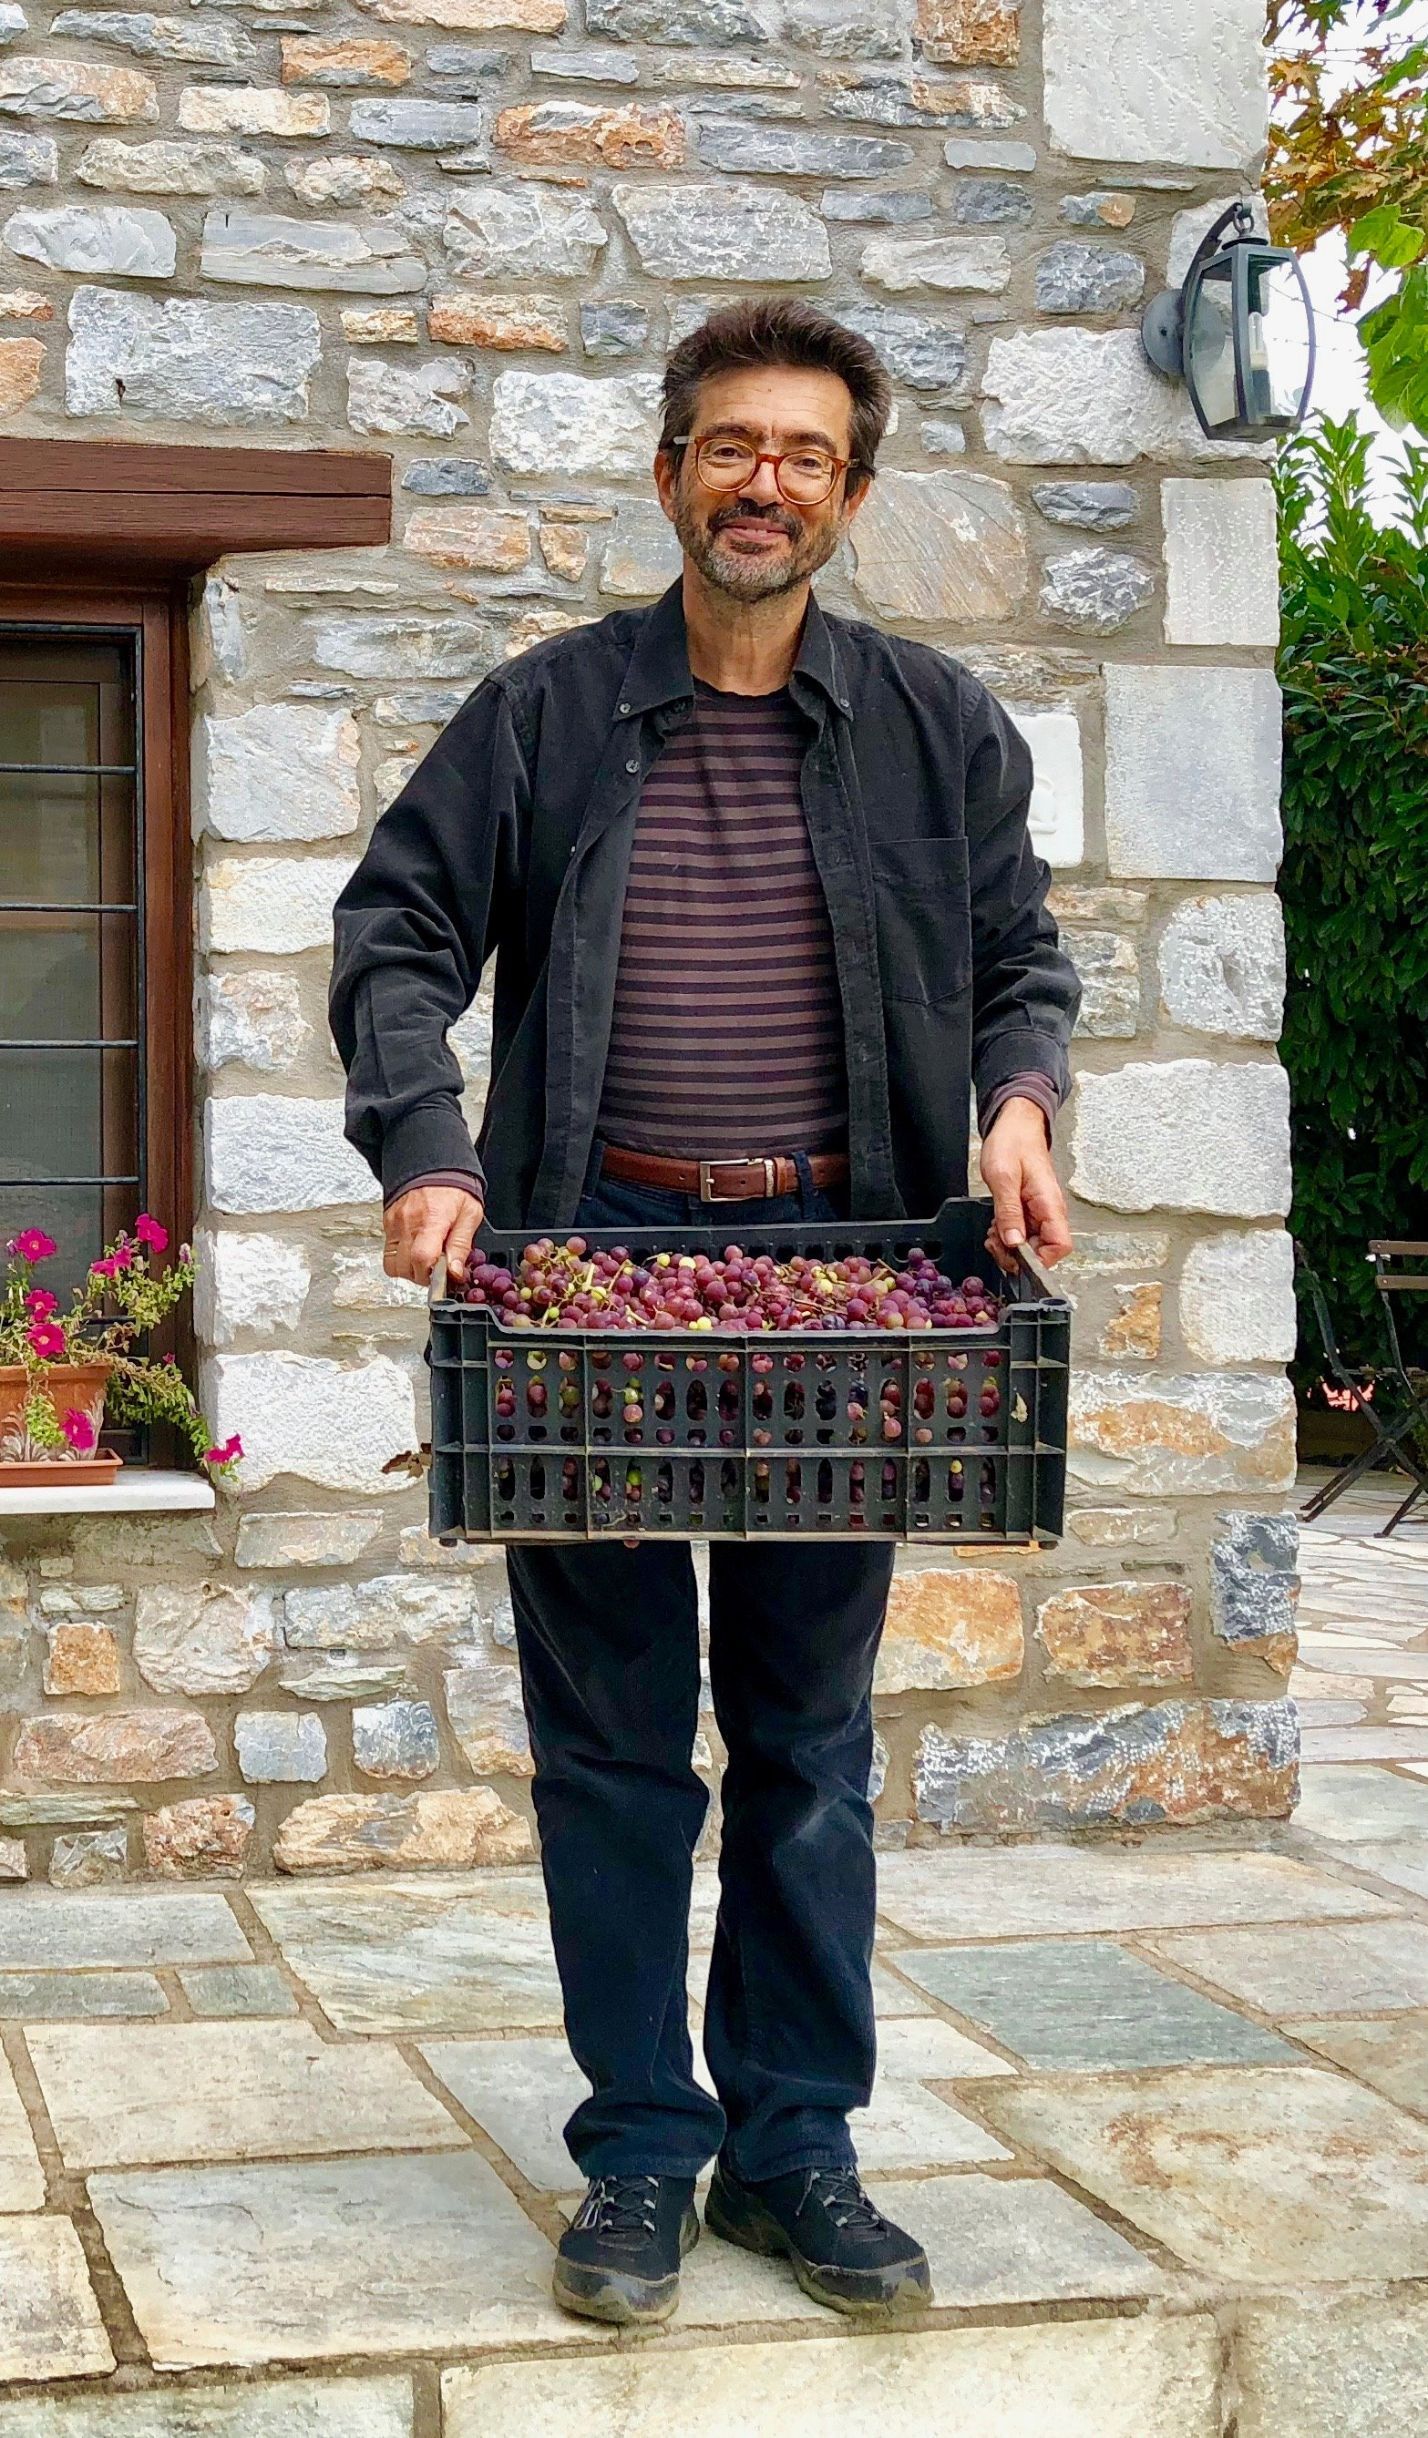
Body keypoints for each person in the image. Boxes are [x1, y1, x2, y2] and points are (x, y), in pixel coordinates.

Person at [330, 298, 1080, 2329]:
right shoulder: (543, 718)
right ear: (670, 474)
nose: (767, 482)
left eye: (807, 454)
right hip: (585, 1280)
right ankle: (641, 2156)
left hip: (846, 1282)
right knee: (609, 1751)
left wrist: (1020, 1105)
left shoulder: (940, 729)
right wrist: (427, 1146)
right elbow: (394, 935)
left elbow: (1024, 958)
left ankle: (796, 2147)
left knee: (810, 1743)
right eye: (731, 445)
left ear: (849, 491)